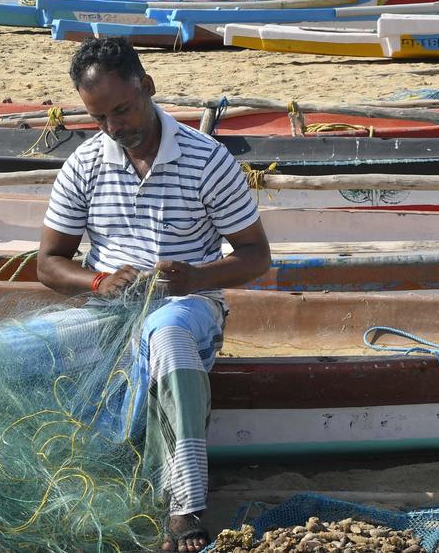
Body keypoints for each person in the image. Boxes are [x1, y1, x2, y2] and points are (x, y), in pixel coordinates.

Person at [36, 37, 271, 552]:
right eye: (100, 118)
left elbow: (257, 256)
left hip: (188, 306)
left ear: (147, 86)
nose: (114, 127)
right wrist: (99, 282)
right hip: (109, 309)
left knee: (163, 334)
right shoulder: (85, 163)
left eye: (122, 109)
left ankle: (184, 508)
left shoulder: (207, 159)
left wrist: (195, 278)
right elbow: (49, 264)